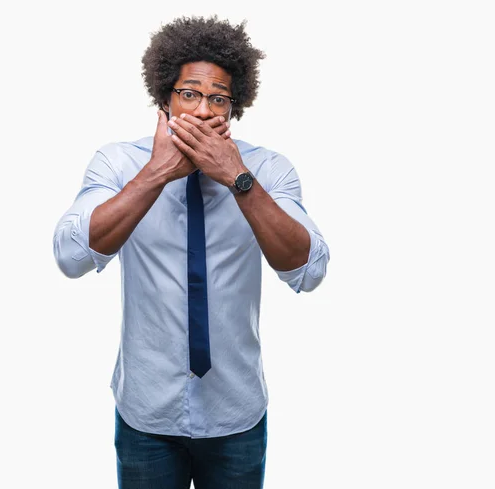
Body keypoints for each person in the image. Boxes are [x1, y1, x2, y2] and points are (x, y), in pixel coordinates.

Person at [53, 14, 331, 489]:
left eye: (218, 98)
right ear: (164, 98)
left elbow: (309, 269)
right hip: (147, 413)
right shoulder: (119, 164)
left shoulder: (267, 169)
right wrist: (157, 173)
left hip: (235, 413)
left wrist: (237, 179)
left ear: (233, 107)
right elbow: (72, 256)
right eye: (190, 94)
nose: (203, 110)